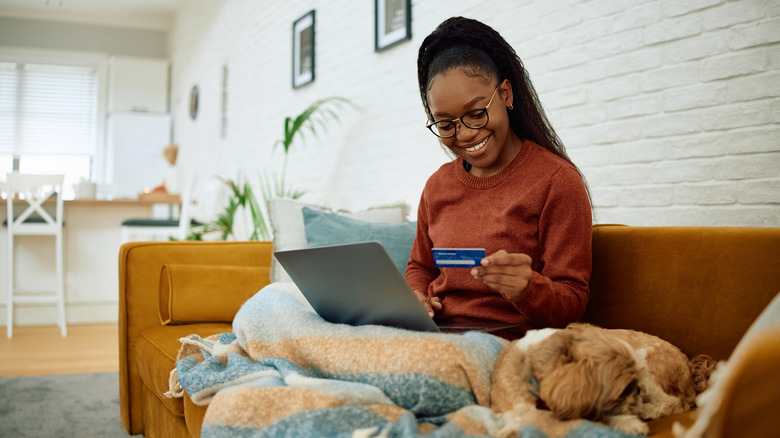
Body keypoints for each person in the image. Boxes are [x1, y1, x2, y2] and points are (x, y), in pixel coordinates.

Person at [405, 17, 593, 340]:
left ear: (505, 94)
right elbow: (420, 268)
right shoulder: (436, 187)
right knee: (288, 309)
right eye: (446, 124)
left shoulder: (557, 181)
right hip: (436, 337)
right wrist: (416, 296)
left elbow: (573, 301)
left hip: (505, 348)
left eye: (477, 114)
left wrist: (527, 288)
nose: (464, 134)